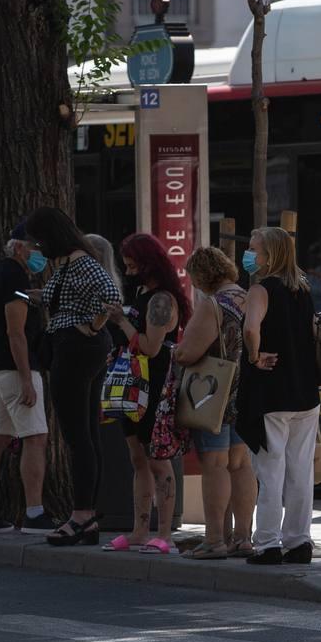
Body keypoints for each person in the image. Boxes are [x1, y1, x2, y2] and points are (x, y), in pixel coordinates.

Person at [26, 207, 121, 546]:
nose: (37, 247)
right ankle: (87, 517)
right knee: (85, 434)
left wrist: (89, 326)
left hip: (75, 349)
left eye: (39, 240)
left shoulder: (81, 263)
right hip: (79, 347)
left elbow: (111, 298)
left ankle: (81, 514)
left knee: (77, 435)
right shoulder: (69, 264)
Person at [239, 227, 320, 566]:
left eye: (253, 248)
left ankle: (268, 543)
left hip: (272, 390)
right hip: (305, 390)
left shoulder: (261, 289)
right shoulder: (303, 288)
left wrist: (255, 356)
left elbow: (250, 328)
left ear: (269, 255)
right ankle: (299, 541)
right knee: (300, 470)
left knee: (270, 470)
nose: (248, 253)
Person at [103, 233, 188, 553]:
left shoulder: (162, 300)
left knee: (157, 460)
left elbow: (151, 347)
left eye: (131, 264)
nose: (127, 270)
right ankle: (139, 528)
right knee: (137, 458)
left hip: (152, 385)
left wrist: (122, 321)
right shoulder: (144, 293)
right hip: (132, 386)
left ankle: (164, 533)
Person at [0, 221, 55, 534]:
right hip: (14, 369)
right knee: (35, 438)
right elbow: (15, 332)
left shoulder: (3, 275)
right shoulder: (14, 276)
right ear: (19, 247)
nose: (40, 255)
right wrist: (25, 378)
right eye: (36, 248)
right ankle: (35, 513)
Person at [175, 246, 255, 560]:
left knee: (215, 464)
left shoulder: (213, 304)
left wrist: (175, 353)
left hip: (216, 393)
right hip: (247, 393)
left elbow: (188, 352)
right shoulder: (251, 297)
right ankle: (243, 537)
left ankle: (213, 540)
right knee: (242, 463)